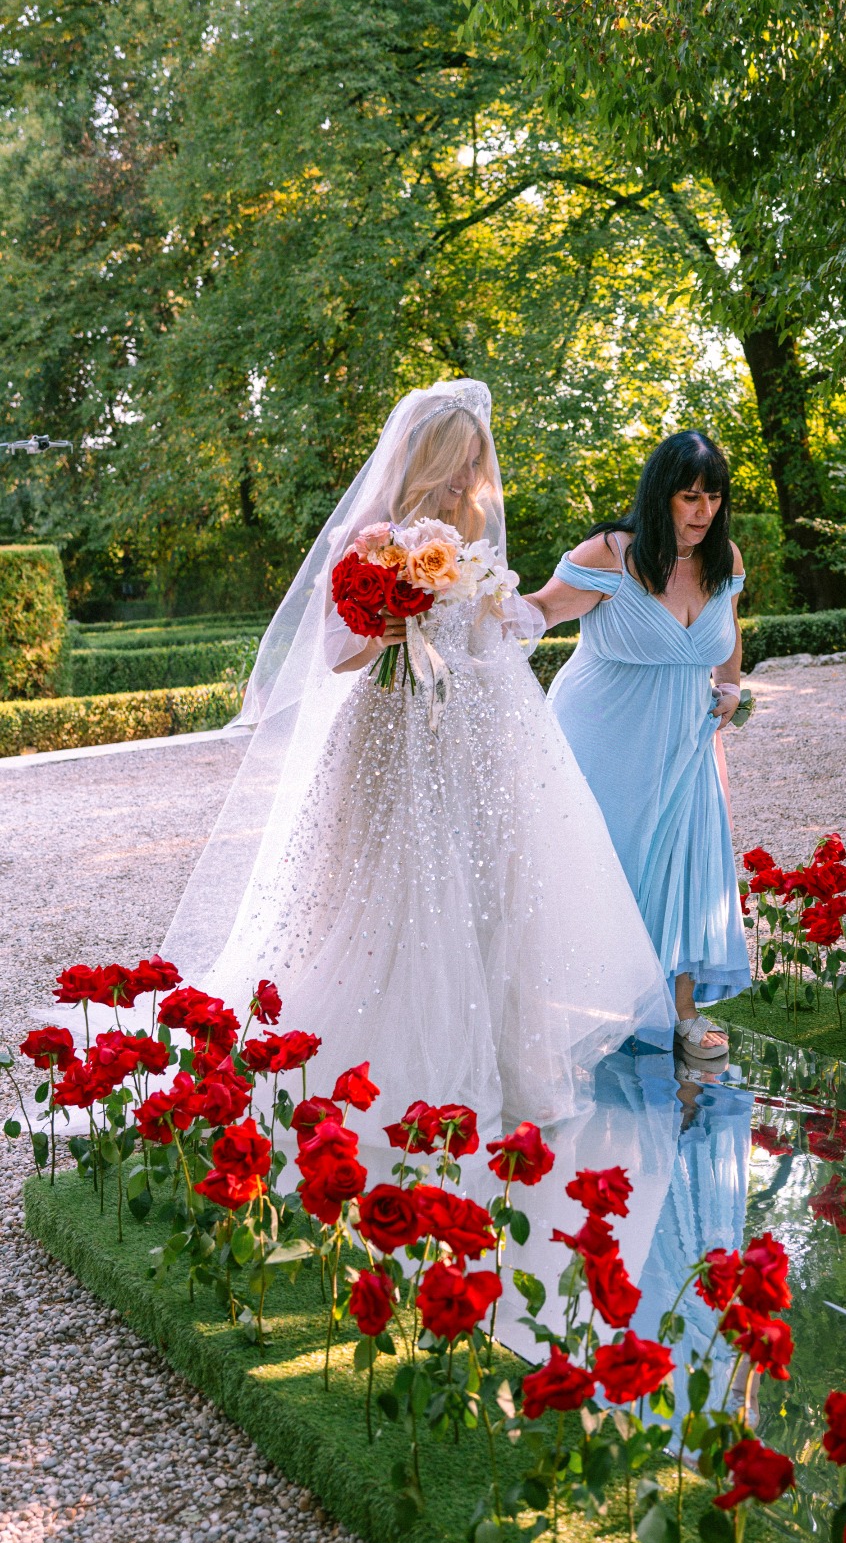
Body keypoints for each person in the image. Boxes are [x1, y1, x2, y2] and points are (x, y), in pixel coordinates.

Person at [159, 380, 675, 1168]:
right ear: (425, 458)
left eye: (477, 463)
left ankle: (499, 1068)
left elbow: (491, 631)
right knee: (395, 891)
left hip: (476, 734)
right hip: (392, 733)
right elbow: (337, 653)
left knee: (490, 891)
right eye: (459, 463)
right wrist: (384, 627)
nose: (471, 480)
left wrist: (539, 613)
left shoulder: (472, 533)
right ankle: (400, 1074)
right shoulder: (366, 539)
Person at [526, 430, 751, 1064]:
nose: (703, 511)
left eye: (713, 496)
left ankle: (681, 1011)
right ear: (661, 496)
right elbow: (540, 611)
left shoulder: (723, 560)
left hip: (685, 740)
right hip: (600, 735)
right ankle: (572, 1006)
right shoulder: (611, 555)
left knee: (685, 866)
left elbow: (727, 633)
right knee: (604, 868)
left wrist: (731, 685)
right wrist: (464, 601)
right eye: (689, 497)